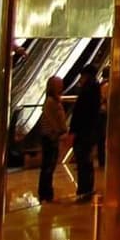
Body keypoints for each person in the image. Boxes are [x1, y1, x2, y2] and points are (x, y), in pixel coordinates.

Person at [69, 65, 105, 201]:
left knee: (83, 161)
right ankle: (87, 189)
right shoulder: (95, 89)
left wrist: (73, 130)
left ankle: (84, 190)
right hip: (90, 132)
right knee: (87, 162)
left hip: (84, 133)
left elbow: (80, 113)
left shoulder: (87, 91)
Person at [36, 76, 68, 204]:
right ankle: (45, 194)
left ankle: (47, 193)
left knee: (50, 165)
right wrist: (59, 131)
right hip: (50, 137)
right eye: (59, 84)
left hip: (52, 136)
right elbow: (53, 120)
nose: (62, 86)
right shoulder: (51, 102)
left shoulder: (55, 101)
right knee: (48, 166)